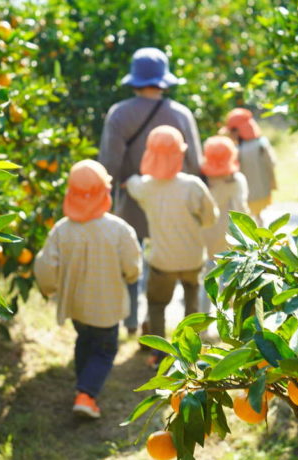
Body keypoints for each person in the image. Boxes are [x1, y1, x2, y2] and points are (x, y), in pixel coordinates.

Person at [98, 47, 203, 335]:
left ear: (134, 80)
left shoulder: (119, 114)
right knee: (167, 261)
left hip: (134, 200)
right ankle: (180, 328)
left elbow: (108, 163)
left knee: (132, 260)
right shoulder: (181, 114)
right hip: (175, 205)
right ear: (164, 80)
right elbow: (195, 162)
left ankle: (132, 320)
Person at [33, 159, 142, 419]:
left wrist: (48, 288)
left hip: (77, 306)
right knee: (104, 350)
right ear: (104, 192)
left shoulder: (62, 230)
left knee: (84, 341)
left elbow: (45, 267)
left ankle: (82, 383)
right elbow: (132, 266)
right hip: (107, 307)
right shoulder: (118, 230)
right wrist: (130, 276)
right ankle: (86, 394)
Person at [125, 125, 218, 367]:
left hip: (162, 262)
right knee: (192, 303)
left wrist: (128, 179)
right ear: (180, 154)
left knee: (157, 305)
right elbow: (211, 217)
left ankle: (159, 353)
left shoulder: (145, 186)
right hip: (193, 258)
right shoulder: (193, 185)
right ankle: (190, 351)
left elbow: (132, 183)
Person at [199, 136, 250, 313]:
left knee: (207, 281)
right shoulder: (236, 181)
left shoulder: (201, 180)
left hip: (204, 235)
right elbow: (241, 210)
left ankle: (203, 324)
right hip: (228, 236)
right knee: (229, 279)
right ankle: (232, 319)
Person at [222, 108, 277, 225]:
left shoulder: (236, 149)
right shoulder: (261, 143)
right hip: (261, 190)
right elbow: (271, 163)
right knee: (258, 217)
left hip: (246, 193)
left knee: (246, 218)